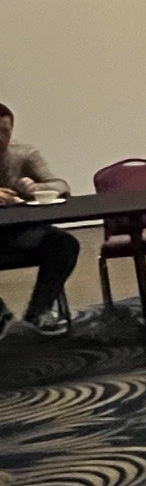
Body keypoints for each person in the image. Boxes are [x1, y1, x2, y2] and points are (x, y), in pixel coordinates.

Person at [0, 103, 78, 336]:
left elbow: (61, 186)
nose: (0, 138)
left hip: (20, 232)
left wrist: (35, 188)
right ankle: (1, 316)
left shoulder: (24, 154)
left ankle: (38, 312)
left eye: (4, 132)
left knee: (65, 244)